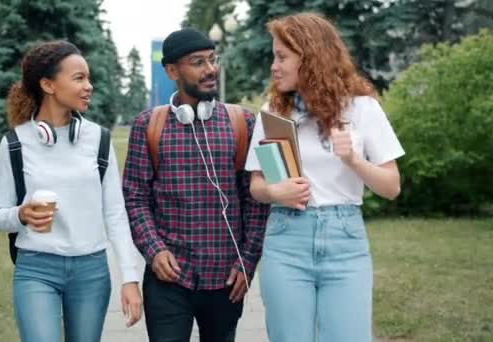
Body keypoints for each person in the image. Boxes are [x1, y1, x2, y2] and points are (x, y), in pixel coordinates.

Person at [245, 13, 405, 342]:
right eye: (275, 56)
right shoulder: (273, 112)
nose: (274, 66)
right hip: (286, 241)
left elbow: (391, 186)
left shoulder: (362, 109)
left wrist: (353, 160)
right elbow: (256, 186)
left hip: (345, 243)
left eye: (282, 57)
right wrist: (277, 193)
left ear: (311, 56)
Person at [122, 28, 269, 342]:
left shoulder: (243, 121)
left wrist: (247, 261)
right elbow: (135, 198)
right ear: (172, 71)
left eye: (212, 60)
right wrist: (154, 249)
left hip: (226, 279)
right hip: (168, 279)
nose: (210, 69)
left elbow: (257, 202)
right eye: (198, 62)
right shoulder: (147, 125)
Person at [0, 40, 142, 342]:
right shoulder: (15, 143)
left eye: (88, 78)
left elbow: (115, 213)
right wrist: (21, 214)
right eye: (79, 78)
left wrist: (130, 278)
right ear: (48, 84)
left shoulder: (99, 140)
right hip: (35, 268)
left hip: (91, 271)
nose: (89, 86)